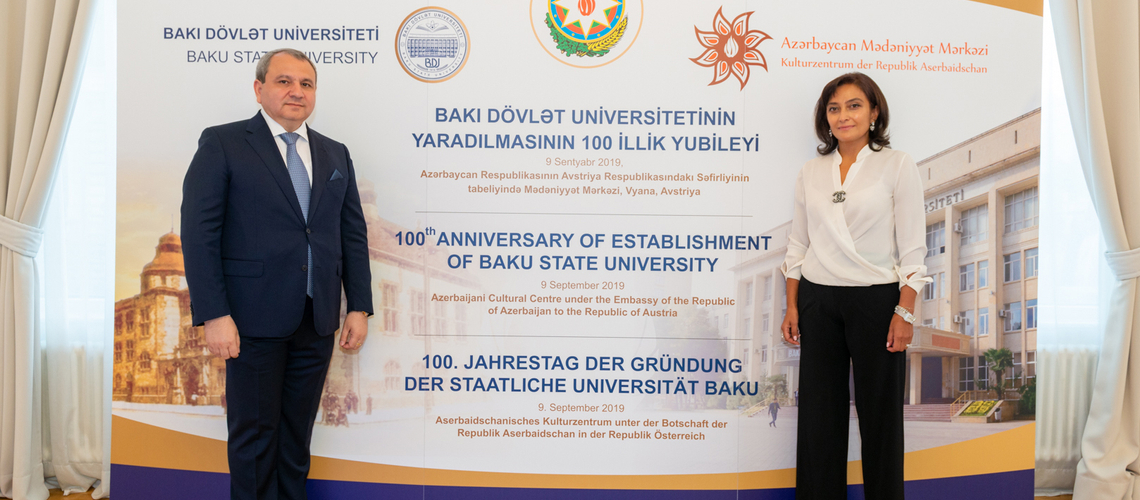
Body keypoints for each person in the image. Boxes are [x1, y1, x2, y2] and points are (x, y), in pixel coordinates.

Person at [181, 48, 373, 500]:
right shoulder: (223, 143)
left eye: (306, 84)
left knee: (296, 437)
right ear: (259, 88)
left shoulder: (335, 153)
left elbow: (352, 235)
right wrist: (214, 314)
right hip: (250, 320)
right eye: (284, 81)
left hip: (316, 320)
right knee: (254, 438)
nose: (296, 92)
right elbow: (200, 234)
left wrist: (359, 306)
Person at [780, 72, 928, 500]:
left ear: (874, 112)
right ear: (825, 118)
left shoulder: (897, 164)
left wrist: (904, 311)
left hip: (876, 301)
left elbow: (913, 248)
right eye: (834, 108)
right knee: (818, 421)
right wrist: (792, 306)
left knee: (880, 421)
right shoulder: (811, 172)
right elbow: (798, 244)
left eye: (854, 105)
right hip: (818, 300)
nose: (843, 115)